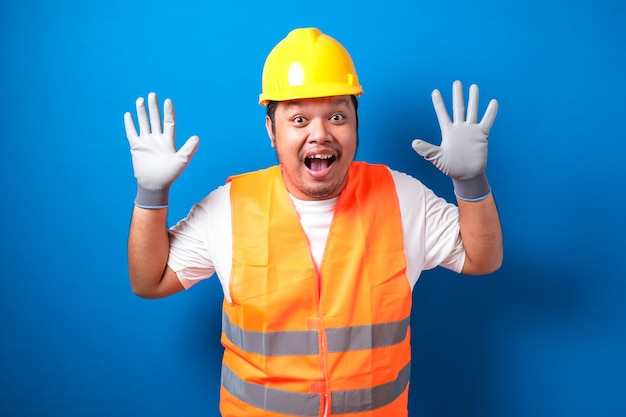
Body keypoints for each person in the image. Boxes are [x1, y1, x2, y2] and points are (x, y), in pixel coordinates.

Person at [124, 27, 502, 417]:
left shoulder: (402, 197)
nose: (319, 134)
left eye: (337, 116)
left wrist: (470, 181)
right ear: (271, 129)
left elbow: (482, 258)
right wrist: (151, 193)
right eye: (299, 118)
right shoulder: (229, 208)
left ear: (357, 124)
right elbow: (148, 280)